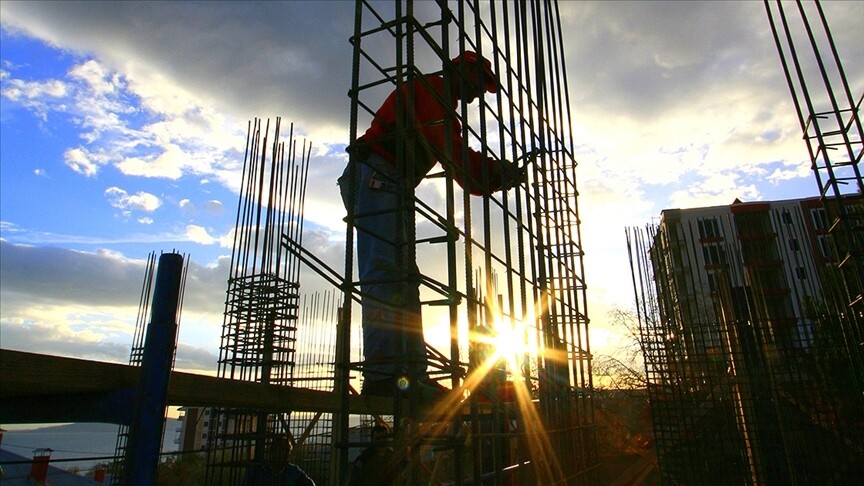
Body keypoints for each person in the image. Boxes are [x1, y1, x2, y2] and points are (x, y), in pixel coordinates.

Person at [339, 51, 524, 398]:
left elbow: (463, 168)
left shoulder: (439, 103)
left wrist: (497, 174)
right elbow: (459, 161)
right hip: (376, 174)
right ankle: (383, 376)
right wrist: (498, 172)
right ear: (461, 70)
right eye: (479, 83)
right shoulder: (430, 94)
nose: (478, 94)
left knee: (405, 281)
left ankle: (409, 375)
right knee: (385, 274)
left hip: (390, 181)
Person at [241, 436, 315, 486]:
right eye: (280, 450)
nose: (283, 454)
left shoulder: (292, 471)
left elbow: (310, 484)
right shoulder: (257, 469)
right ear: (271, 451)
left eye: (286, 451)